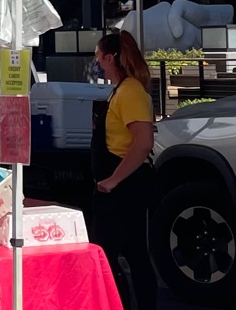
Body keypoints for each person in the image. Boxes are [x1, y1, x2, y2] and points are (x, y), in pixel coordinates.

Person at [92, 31, 157, 310]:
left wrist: (113, 180)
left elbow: (143, 143)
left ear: (109, 58)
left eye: (98, 58)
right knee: (132, 253)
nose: (97, 63)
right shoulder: (119, 90)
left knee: (110, 254)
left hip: (126, 186)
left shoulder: (130, 91)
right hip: (118, 185)